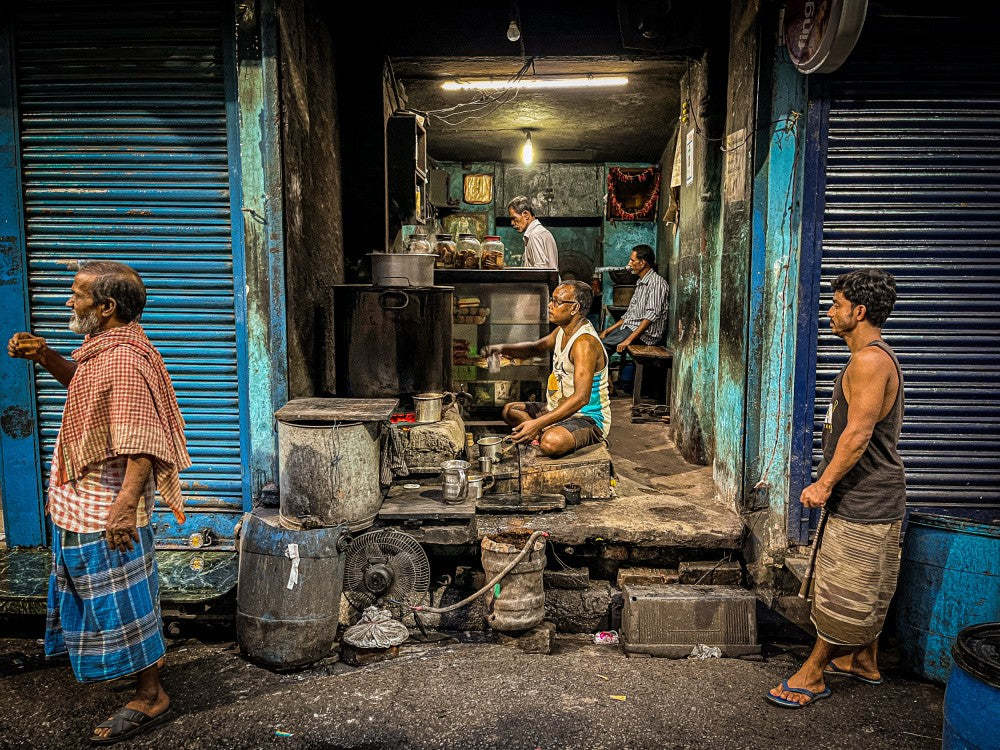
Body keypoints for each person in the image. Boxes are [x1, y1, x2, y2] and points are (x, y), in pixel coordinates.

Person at [8, 261, 190, 744]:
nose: (70, 301)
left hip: (107, 506)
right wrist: (46, 355)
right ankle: (110, 667)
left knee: (124, 601)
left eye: (77, 294)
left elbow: (142, 442)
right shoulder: (101, 348)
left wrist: (125, 505)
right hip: (82, 499)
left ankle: (151, 694)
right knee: (94, 593)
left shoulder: (125, 361)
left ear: (106, 307)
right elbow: (87, 394)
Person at [767, 268, 905, 709]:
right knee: (863, 581)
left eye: (838, 304)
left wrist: (823, 483)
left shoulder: (870, 361)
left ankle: (812, 673)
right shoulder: (867, 358)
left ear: (859, 311)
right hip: (865, 493)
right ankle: (864, 660)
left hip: (868, 496)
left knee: (848, 589)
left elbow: (858, 435)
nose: (831, 311)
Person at [483, 280, 610, 458]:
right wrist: (502, 348)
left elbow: (581, 398)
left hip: (586, 418)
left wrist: (538, 423)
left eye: (557, 302)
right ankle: (540, 433)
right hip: (556, 408)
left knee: (552, 442)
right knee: (510, 410)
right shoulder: (562, 331)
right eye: (551, 300)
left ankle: (542, 433)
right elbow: (535, 347)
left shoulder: (584, 343)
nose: (550, 306)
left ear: (574, 308)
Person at [599, 244, 669, 357]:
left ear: (643, 263)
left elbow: (651, 316)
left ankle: (597, 374)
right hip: (631, 328)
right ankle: (604, 374)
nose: (629, 264)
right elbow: (629, 315)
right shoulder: (640, 283)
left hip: (646, 336)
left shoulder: (657, 283)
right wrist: (608, 330)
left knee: (601, 348)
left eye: (632, 261)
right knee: (599, 343)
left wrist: (628, 340)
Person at [507, 195, 559, 270]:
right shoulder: (540, 232)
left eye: (514, 218)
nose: (512, 223)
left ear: (526, 215)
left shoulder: (535, 235)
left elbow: (541, 270)